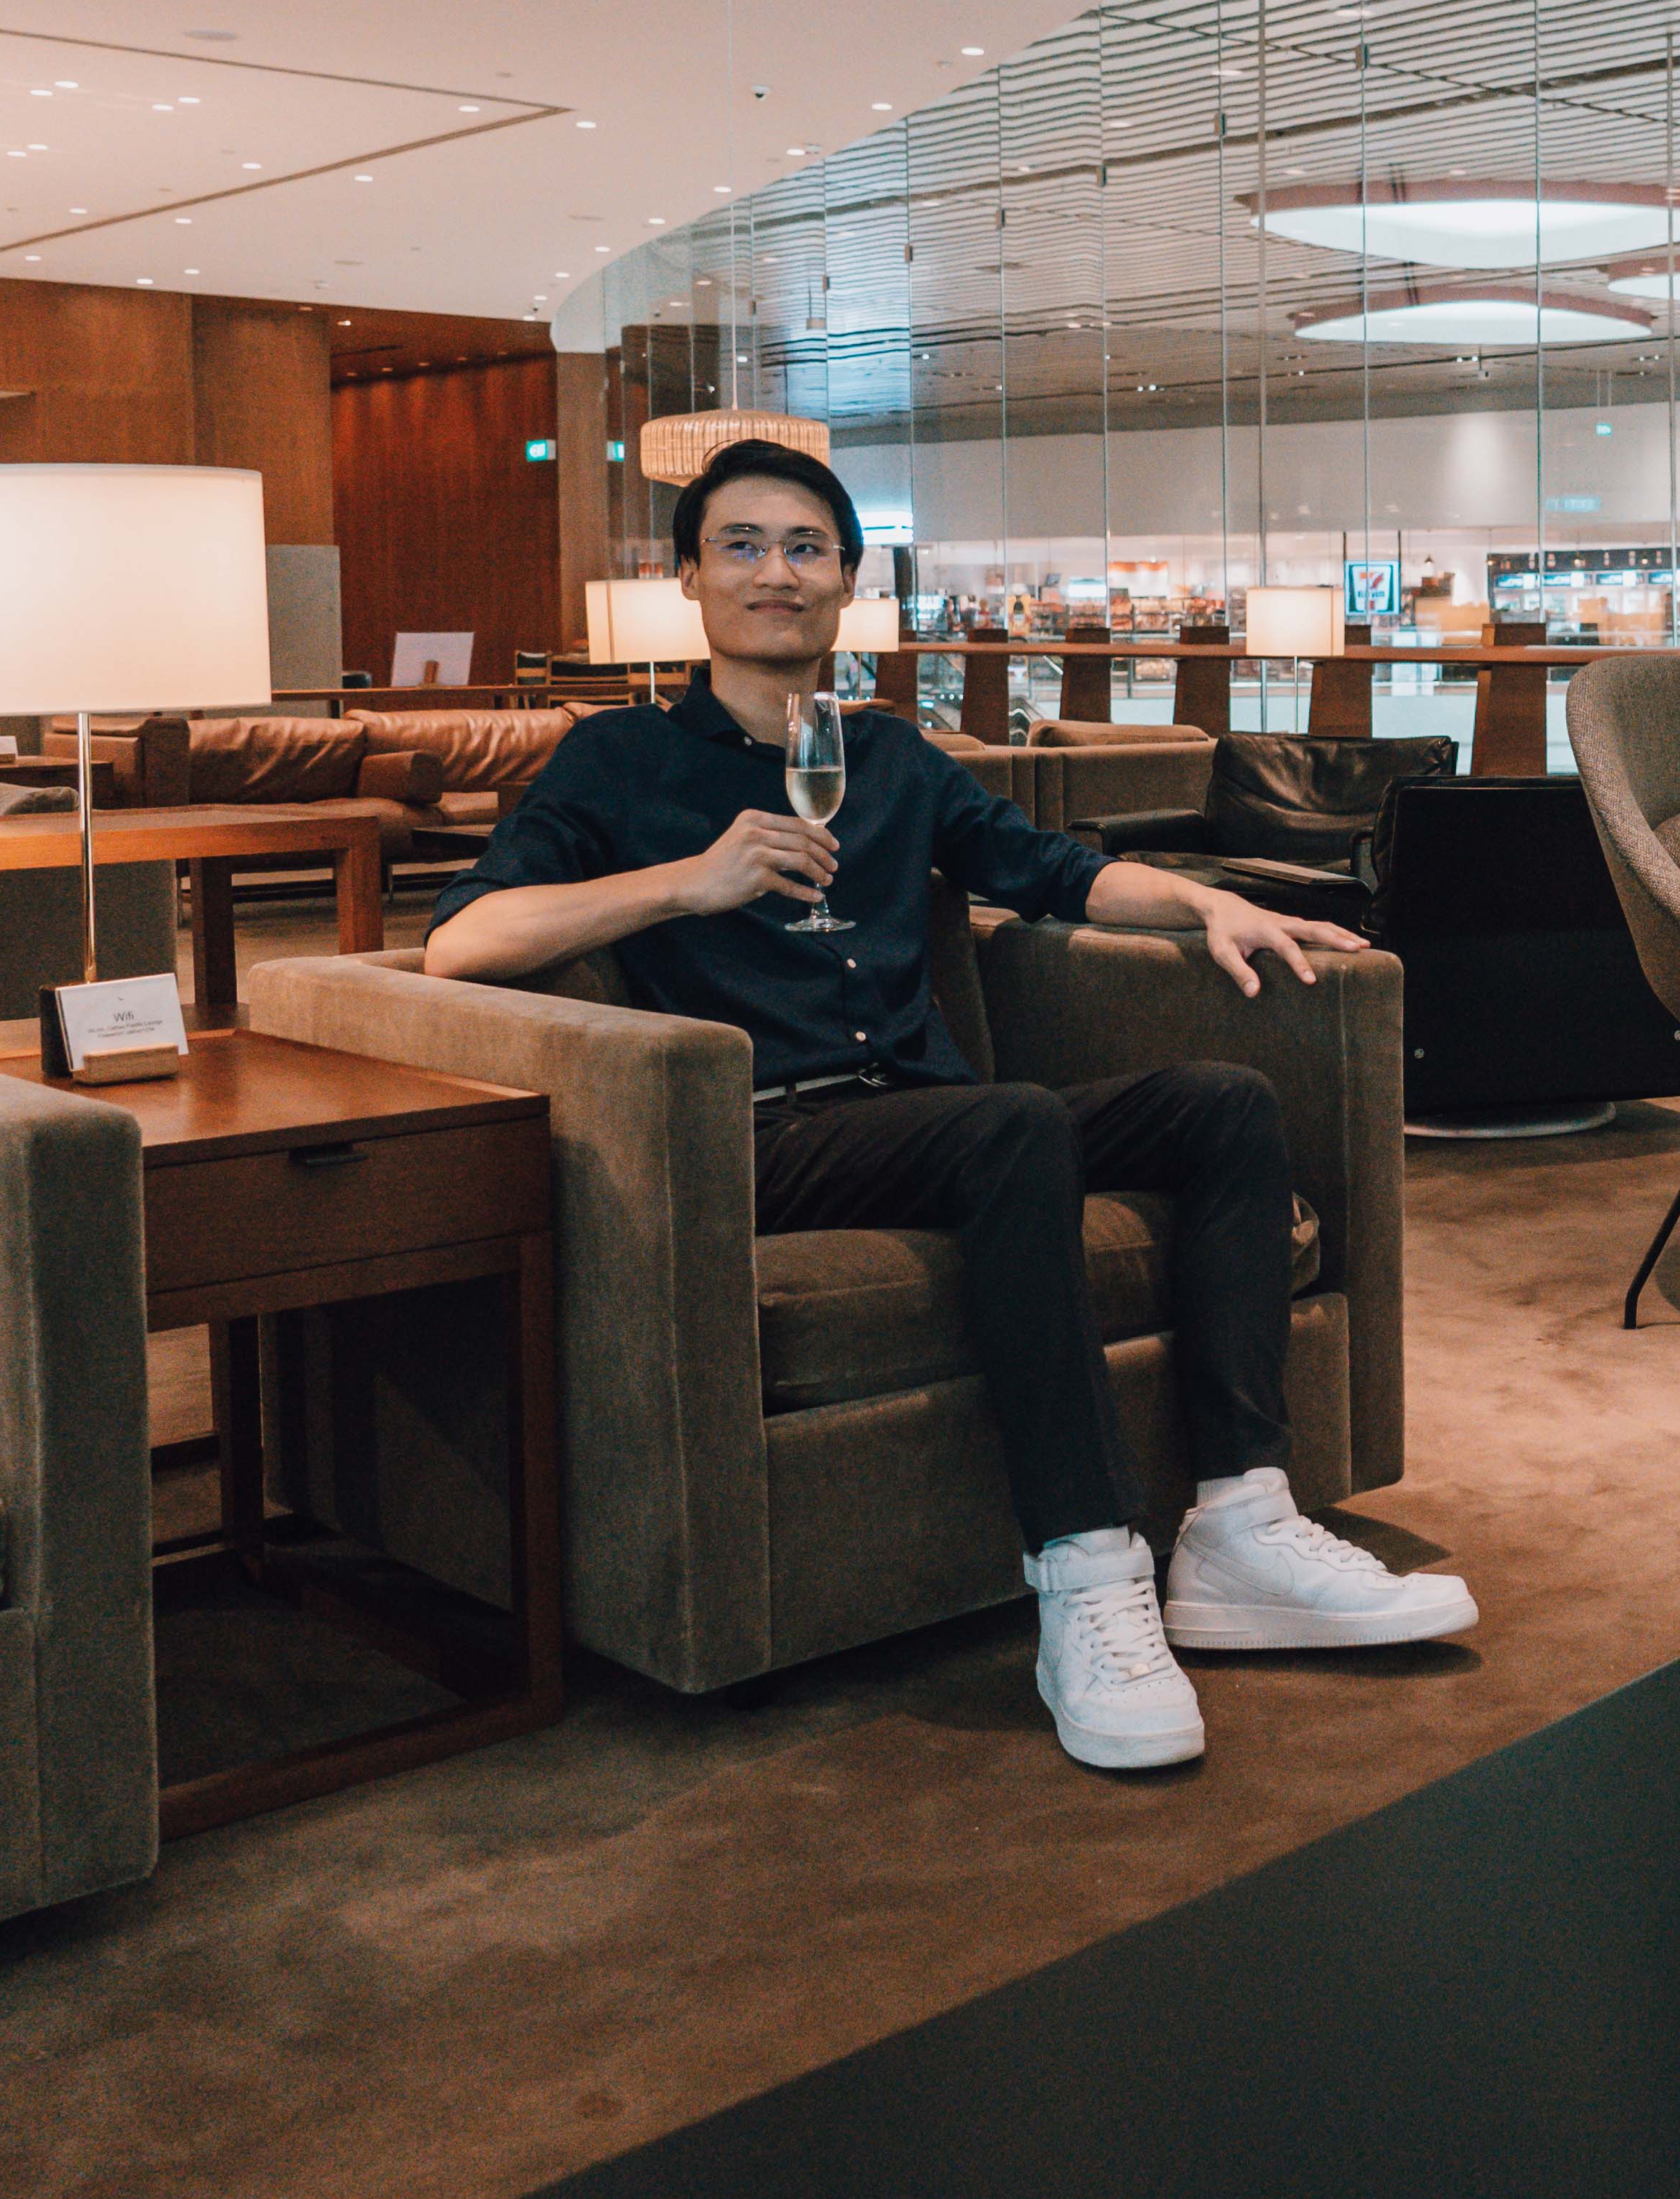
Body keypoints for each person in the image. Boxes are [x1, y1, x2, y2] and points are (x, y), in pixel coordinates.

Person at [426, 440, 1472, 1769]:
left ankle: (1238, 1525)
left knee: (1224, 1103)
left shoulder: (891, 757)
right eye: (741, 545)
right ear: (690, 577)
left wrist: (1207, 901)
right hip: (765, 1130)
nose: (776, 572)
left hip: (925, 1117)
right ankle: (1087, 1568)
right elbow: (463, 943)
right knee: (1012, 1123)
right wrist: (687, 882)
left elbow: (1053, 876)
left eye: (807, 548)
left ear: (848, 583)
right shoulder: (615, 760)